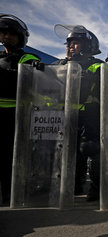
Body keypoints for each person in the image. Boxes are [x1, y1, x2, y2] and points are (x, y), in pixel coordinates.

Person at [53, 24, 104, 201]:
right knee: (69, 149)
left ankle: (97, 189)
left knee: (90, 148)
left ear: (88, 45)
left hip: (91, 113)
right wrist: (40, 69)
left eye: (75, 43)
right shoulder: (60, 65)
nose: (70, 46)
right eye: (69, 43)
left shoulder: (97, 65)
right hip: (66, 115)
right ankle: (73, 185)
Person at [0, 14, 41, 205]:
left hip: (17, 113)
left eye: (11, 34)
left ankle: (13, 193)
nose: (7, 37)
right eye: (4, 33)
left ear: (20, 37)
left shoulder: (28, 57)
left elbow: (24, 80)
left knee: (14, 156)